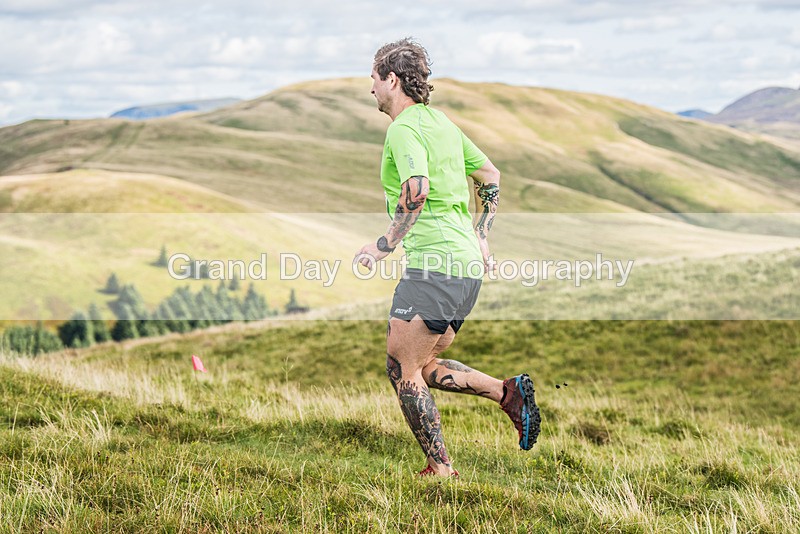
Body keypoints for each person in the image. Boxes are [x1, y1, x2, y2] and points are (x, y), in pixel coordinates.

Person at [355, 38, 540, 478]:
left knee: (402, 369)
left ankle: (440, 469)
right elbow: (490, 175)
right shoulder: (442, 123)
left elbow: (416, 189)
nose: (371, 89)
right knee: (422, 365)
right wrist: (481, 235)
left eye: (374, 80)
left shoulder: (403, 129)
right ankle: (508, 393)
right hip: (465, 267)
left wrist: (383, 245)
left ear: (392, 80)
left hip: (434, 264)